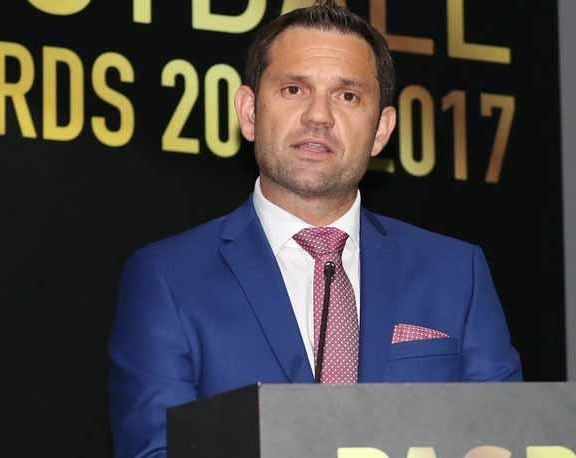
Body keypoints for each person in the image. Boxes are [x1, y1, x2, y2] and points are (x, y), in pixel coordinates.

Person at [107, 2, 521, 457]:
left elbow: (504, 438)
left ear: (381, 130)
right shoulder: (167, 278)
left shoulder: (456, 273)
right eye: (293, 89)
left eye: (348, 96)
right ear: (249, 112)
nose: (318, 116)